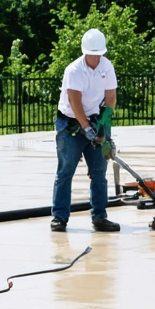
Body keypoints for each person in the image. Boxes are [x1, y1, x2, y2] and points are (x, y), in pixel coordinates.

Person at [50, 28, 119, 233]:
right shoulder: (74, 70)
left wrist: (104, 129)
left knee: (99, 172)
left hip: (94, 118)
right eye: (92, 53)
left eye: (98, 54)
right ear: (84, 52)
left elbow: (111, 98)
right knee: (66, 171)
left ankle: (99, 217)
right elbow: (75, 101)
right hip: (70, 122)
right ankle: (59, 217)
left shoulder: (107, 67)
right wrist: (86, 128)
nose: (95, 57)